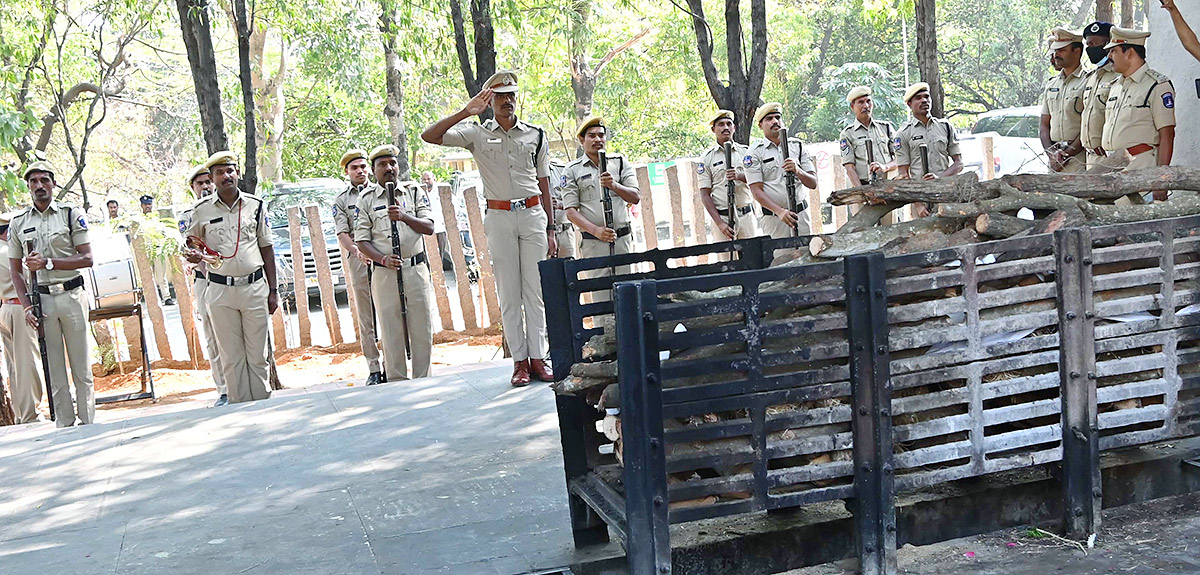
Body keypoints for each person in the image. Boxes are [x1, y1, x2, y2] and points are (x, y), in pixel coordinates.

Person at [421, 70, 556, 387]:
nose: (508, 101)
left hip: (533, 213)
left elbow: (544, 182)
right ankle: (520, 363)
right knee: (509, 294)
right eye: (500, 96)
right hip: (499, 217)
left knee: (535, 292)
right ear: (489, 100)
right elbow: (430, 136)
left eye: (512, 95)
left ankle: (539, 359)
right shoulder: (476, 134)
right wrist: (465, 112)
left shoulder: (535, 135)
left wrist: (551, 227)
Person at [183, 151, 278, 404]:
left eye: (230, 171)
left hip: (254, 286)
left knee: (258, 354)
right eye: (219, 173)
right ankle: (240, 412)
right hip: (220, 290)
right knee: (232, 357)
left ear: (237, 173)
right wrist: (195, 256)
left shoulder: (256, 205)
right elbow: (193, 244)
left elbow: (266, 247)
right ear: (212, 179)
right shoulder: (201, 210)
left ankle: (262, 406)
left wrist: (273, 290)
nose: (226, 176)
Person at [9, 160, 95, 427]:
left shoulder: (70, 214)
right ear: (28, 187)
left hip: (71, 294)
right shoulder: (19, 222)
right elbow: (15, 272)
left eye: (44, 180)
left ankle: (88, 421)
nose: (39, 186)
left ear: (53, 184)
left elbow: (88, 258)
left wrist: (48, 262)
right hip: (42, 299)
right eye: (33, 181)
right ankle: (65, 426)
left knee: (81, 366)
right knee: (54, 368)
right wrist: (26, 307)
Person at [354, 145, 435, 381]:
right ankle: (396, 382)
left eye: (393, 163)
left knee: (422, 328)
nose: (389, 168)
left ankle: (424, 381)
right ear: (374, 170)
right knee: (390, 331)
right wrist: (382, 259)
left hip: (415, 269)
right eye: (382, 164)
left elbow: (429, 227)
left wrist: (404, 216)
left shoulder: (414, 191)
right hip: (385, 272)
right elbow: (361, 240)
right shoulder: (366, 199)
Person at [559, 115, 641, 294]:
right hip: (594, 243)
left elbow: (635, 197)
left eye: (601, 135)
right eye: (592, 135)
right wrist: (596, 231)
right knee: (600, 297)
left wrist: (614, 185)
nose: (598, 140)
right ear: (582, 139)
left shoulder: (619, 162)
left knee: (628, 295)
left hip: (621, 241)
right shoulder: (572, 170)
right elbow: (571, 211)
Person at [1100, 26, 1176, 196]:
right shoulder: (1115, 87)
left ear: (1130, 53)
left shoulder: (1157, 85)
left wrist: (1160, 182)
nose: (1109, 56)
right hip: (1110, 170)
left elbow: (1167, 135)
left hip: (1140, 174)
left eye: (1113, 51)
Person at [332, 149, 384, 386]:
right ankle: (374, 367)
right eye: (355, 168)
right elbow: (342, 232)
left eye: (363, 167)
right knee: (366, 315)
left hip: (383, 255)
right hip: (360, 260)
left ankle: (394, 361)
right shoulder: (342, 200)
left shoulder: (380, 191)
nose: (360, 171)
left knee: (390, 309)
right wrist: (357, 252)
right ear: (347, 172)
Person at [178, 164, 229, 406]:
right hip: (205, 281)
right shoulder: (188, 216)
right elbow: (188, 247)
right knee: (212, 336)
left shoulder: (228, 208)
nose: (206, 186)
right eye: (200, 183)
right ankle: (224, 389)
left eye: (209, 181)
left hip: (230, 280)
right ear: (193, 188)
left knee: (232, 334)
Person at [745, 102, 818, 239]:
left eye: (778, 117)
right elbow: (756, 190)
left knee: (804, 256)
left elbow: (813, 183)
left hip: (800, 215)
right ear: (760, 125)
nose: (775, 121)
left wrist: (798, 170)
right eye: (769, 119)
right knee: (780, 258)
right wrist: (780, 212)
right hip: (775, 219)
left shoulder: (798, 146)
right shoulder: (754, 152)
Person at [0, 210, 45, 424]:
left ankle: (21, 414)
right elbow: (27, 278)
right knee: (27, 363)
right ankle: (31, 415)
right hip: (19, 308)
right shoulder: (7, 252)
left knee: (14, 365)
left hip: (6, 308)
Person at [697, 110, 760, 242]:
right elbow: (705, 195)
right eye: (721, 124)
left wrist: (739, 176)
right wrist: (720, 223)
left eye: (728, 124)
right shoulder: (707, 158)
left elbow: (758, 182)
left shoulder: (746, 153)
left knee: (752, 259)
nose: (725, 128)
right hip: (723, 218)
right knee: (726, 261)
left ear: (734, 128)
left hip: (746, 216)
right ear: (713, 129)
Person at [1040, 27, 1088, 173]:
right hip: (1055, 160)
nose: (1056, 55)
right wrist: (1052, 154)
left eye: (1062, 50)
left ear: (1077, 51)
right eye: (1055, 50)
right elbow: (1043, 125)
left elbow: (1088, 126)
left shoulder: (1089, 82)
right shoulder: (1051, 84)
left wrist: (1066, 154)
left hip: (1078, 159)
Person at [838, 86, 898, 186]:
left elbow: (900, 158)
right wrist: (862, 193)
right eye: (861, 102)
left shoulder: (886, 128)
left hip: (889, 186)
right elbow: (849, 168)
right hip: (864, 186)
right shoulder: (847, 134)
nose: (866, 106)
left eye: (868, 101)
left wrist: (885, 167)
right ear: (852, 106)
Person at [1080, 21, 1120, 171]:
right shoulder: (1091, 77)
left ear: (1108, 44)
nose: (1090, 49)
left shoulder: (1119, 76)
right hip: (1089, 158)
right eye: (1088, 45)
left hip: (1109, 158)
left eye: (1094, 44)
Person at [141, 194, 176, 305]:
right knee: (147, 277)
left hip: (158, 250)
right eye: (146, 205)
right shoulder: (139, 220)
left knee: (162, 276)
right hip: (145, 251)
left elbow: (164, 233)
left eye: (150, 204)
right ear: (141, 206)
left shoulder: (158, 219)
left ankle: (166, 297)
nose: (148, 207)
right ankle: (152, 300)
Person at [421, 171, 455, 273]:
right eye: (424, 179)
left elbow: (454, 205)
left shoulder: (441, 191)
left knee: (439, 254)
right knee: (426, 254)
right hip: (426, 229)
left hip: (440, 228)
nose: (426, 181)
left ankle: (438, 276)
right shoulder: (420, 193)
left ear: (434, 179)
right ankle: (429, 277)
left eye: (428, 179)